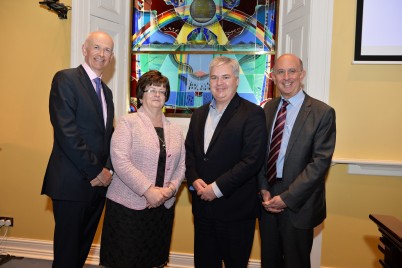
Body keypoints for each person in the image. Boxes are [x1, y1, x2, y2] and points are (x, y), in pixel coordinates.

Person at [185, 56, 268, 268]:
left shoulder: (253, 114)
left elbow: (252, 160)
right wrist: (194, 180)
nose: (219, 83)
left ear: (237, 80)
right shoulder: (199, 114)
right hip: (203, 210)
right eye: (214, 77)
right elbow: (190, 153)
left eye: (225, 77)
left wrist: (217, 188)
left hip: (236, 211)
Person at [41, 31, 115, 268]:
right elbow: (67, 132)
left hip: (98, 186)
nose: (101, 54)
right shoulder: (66, 79)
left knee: (81, 251)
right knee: (67, 253)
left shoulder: (107, 92)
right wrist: (96, 171)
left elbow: (107, 137)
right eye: (96, 48)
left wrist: (108, 171)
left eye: (107, 50)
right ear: (85, 49)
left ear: (112, 57)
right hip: (71, 183)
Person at [100, 70, 186, 268]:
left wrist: (170, 190)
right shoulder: (127, 123)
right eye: (151, 89)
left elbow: (181, 165)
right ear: (140, 95)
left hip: (162, 207)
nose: (157, 94)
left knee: (154, 259)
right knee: (126, 260)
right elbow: (120, 160)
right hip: (128, 207)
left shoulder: (175, 130)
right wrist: (148, 191)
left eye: (162, 91)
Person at [258, 53, 336, 268]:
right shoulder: (268, 109)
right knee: (269, 262)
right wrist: (263, 187)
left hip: (299, 203)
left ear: (302, 74)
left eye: (292, 71)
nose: (286, 77)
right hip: (268, 198)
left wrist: (288, 198)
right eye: (280, 72)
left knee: (296, 263)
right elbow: (261, 154)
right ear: (273, 76)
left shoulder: (322, 113)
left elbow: (319, 163)